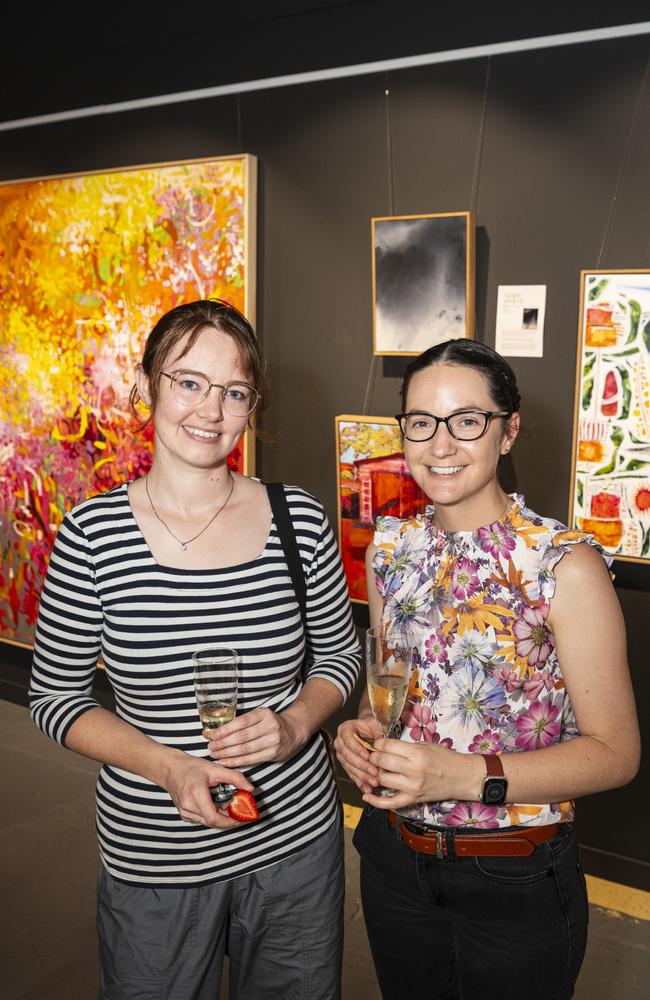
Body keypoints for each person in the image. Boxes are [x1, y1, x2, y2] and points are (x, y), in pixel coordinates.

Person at [30, 298, 361, 1000]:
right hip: (156, 858)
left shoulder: (298, 519)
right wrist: (171, 768)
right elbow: (53, 696)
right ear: (148, 384)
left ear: (252, 405)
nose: (210, 410)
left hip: (295, 847)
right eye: (188, 382)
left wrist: (297, 724)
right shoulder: (92, 537)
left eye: (233, 391)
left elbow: (340, 656)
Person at [334, 339, 640, 1000]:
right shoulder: (391, 547)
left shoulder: (563, 566)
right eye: (421, 422)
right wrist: (361, 733)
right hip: (392, 860)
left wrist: (464, 775)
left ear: (508, 431)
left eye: (467, 420)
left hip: (515, 880)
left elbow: (615, 754)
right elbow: (385, 695)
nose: (440, 444)